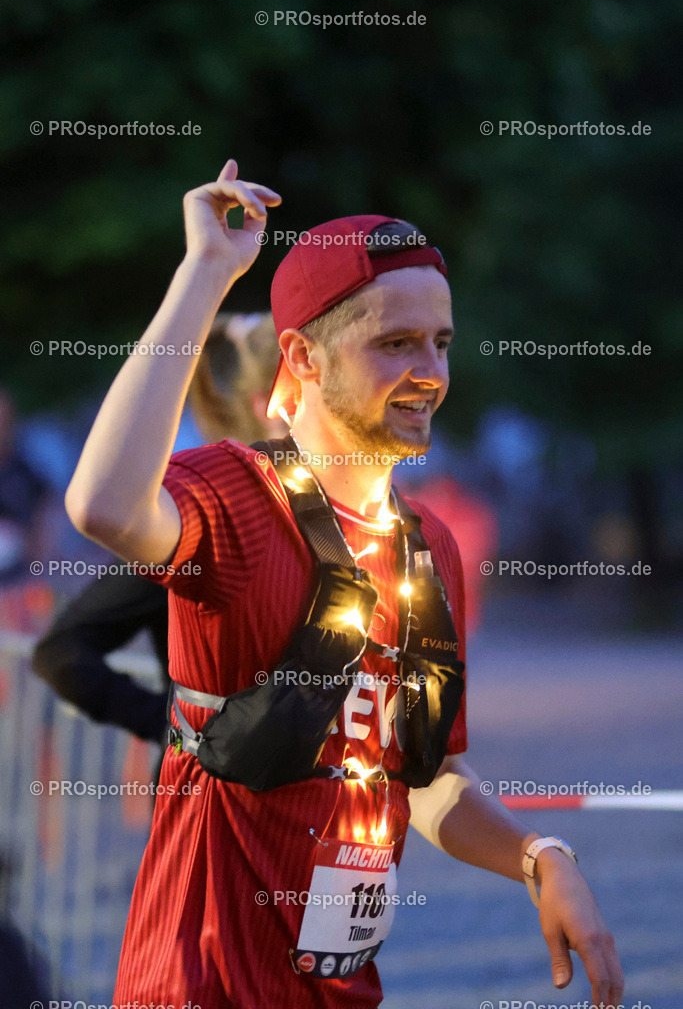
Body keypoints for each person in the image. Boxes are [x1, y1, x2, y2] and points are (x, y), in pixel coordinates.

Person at [65, 159, 623, 1008]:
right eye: (393, 343)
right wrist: (205, 272)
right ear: (304, 358)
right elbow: (103, 504)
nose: (428, 371)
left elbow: (427, 778)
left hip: (343, 991)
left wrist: (537, 855)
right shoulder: (236, 496)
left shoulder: (426, 543)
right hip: (199, 986)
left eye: (439, 342)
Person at [33, 313, 281, 746]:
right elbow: (61, 652)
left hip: (322, 806)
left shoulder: (355, 515)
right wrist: (178, 729)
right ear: (273, 403)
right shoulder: (203, 518)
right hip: (199, 802)